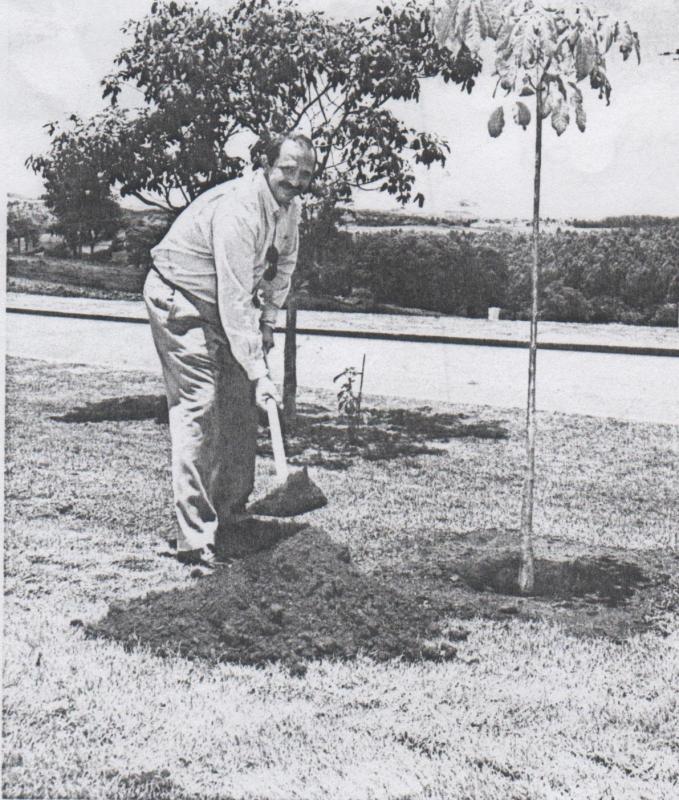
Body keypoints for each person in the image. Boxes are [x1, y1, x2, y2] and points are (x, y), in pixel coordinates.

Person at [143, 132, 316, 566]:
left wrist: (270, 324)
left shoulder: (289, 210)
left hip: (223, 307)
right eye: (288, 171)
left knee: (240, 407)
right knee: (199, 407)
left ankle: (232, 519)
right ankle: (195, 537)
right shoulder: (241, 208)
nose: (295, 182)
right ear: (267, 166)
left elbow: (282, 268)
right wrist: (259, 369)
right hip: (179, 297)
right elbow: (236, 296)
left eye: (305, 175)